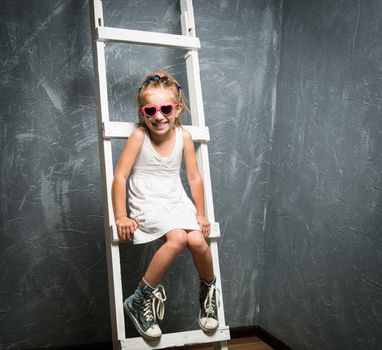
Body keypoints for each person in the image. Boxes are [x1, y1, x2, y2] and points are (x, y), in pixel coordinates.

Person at [112, 71, 219, 340]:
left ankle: (208, 291)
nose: (158, 116)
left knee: (196, 241)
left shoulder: (183, 136)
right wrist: (121, 215)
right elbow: (120, 176)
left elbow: (194, 177)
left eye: (166, 109)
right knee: (178, 238)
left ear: (177, 108)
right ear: (142, 112)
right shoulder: (139, 136)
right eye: (151, 111)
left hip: (175, 198)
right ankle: (140, 298)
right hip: (147, 200)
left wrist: (201, 213)